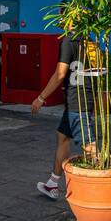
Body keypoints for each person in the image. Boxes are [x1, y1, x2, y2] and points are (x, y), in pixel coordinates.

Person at [31, 14, 85, 200]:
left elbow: (60, 73)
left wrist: (41, 97)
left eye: (63, 16)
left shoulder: (68, 41)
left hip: (77, 99)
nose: (60, 20)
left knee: (89, 144)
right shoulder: (88, 39)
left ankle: (103, 184)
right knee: (63, 136)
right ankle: (52, 183)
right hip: (82, 97)